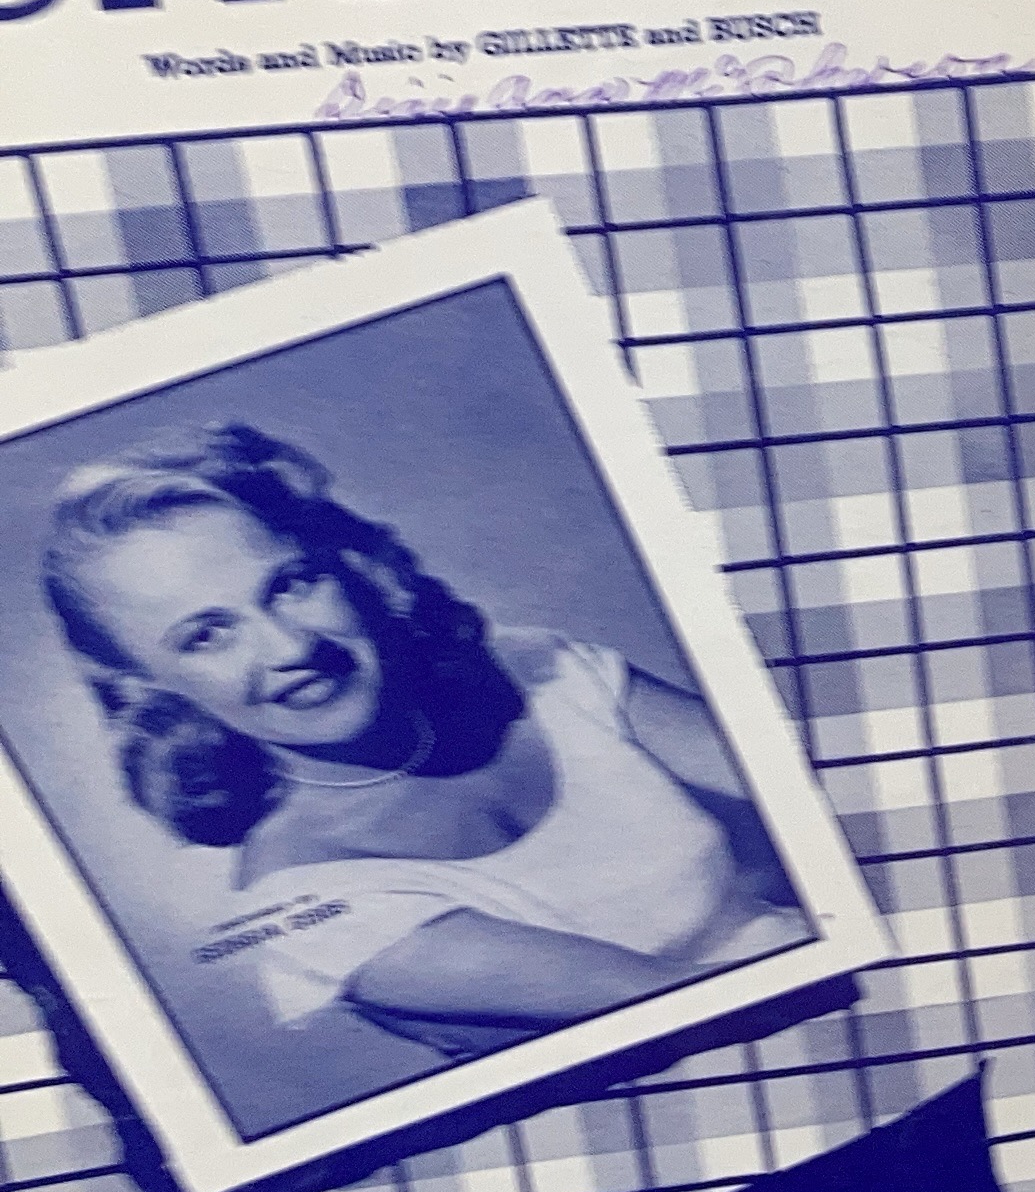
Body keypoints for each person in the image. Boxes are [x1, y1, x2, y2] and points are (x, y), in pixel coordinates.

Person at [47, 422, 808, 1063]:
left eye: (292, 584)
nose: (291, 647)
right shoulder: (314, 909)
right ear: (153, 689)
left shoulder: (532, 670)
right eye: (208, 635)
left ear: (346, 564)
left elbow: (816, 804)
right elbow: (711, 1018)